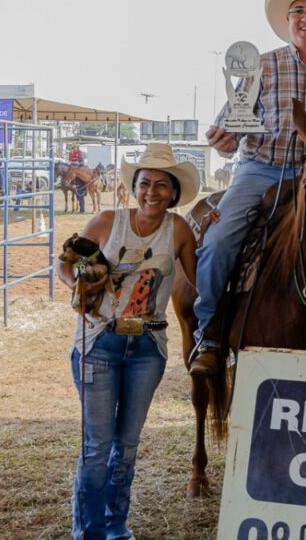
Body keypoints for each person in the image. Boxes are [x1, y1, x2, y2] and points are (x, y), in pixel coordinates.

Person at [189, 0, 306, 376]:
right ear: (288, 21)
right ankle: (210, 334)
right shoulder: (262, 66)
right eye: (298, 11)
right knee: (219, 240)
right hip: (260, 169)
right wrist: (223, 140)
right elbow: (229, 125)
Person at [56, 142, 198, 540]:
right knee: (97, 447)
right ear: (134, 187)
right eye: (145, 183)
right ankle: (89, 532)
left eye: (161, 185)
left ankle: (116, 526)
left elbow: (201, 282)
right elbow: (66, 262)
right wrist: (77, 290)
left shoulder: (180, 230)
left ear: (173, 192)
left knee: (128, 445)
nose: (152, 192)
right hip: (99, 340)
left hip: (147, 349)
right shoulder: (106, 221)